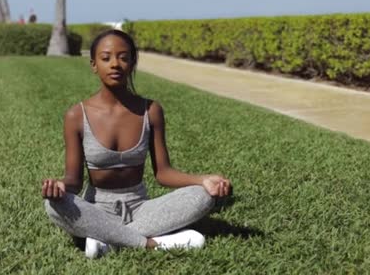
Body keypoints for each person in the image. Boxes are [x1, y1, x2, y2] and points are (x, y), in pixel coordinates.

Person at [41, 29, 232, 258]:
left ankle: (108, 240)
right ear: (94, 65)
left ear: (132, 63)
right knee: (52, 205)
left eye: (123, 57)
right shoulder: (76, 115)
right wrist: (60, 187)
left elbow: (164, 173)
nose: (115, 64)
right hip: (97, 208)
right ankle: (151, 243)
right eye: (106, 58)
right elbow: (74, 180)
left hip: (141, 208)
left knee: (203, 196)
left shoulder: (150, 111)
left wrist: (203, 180)